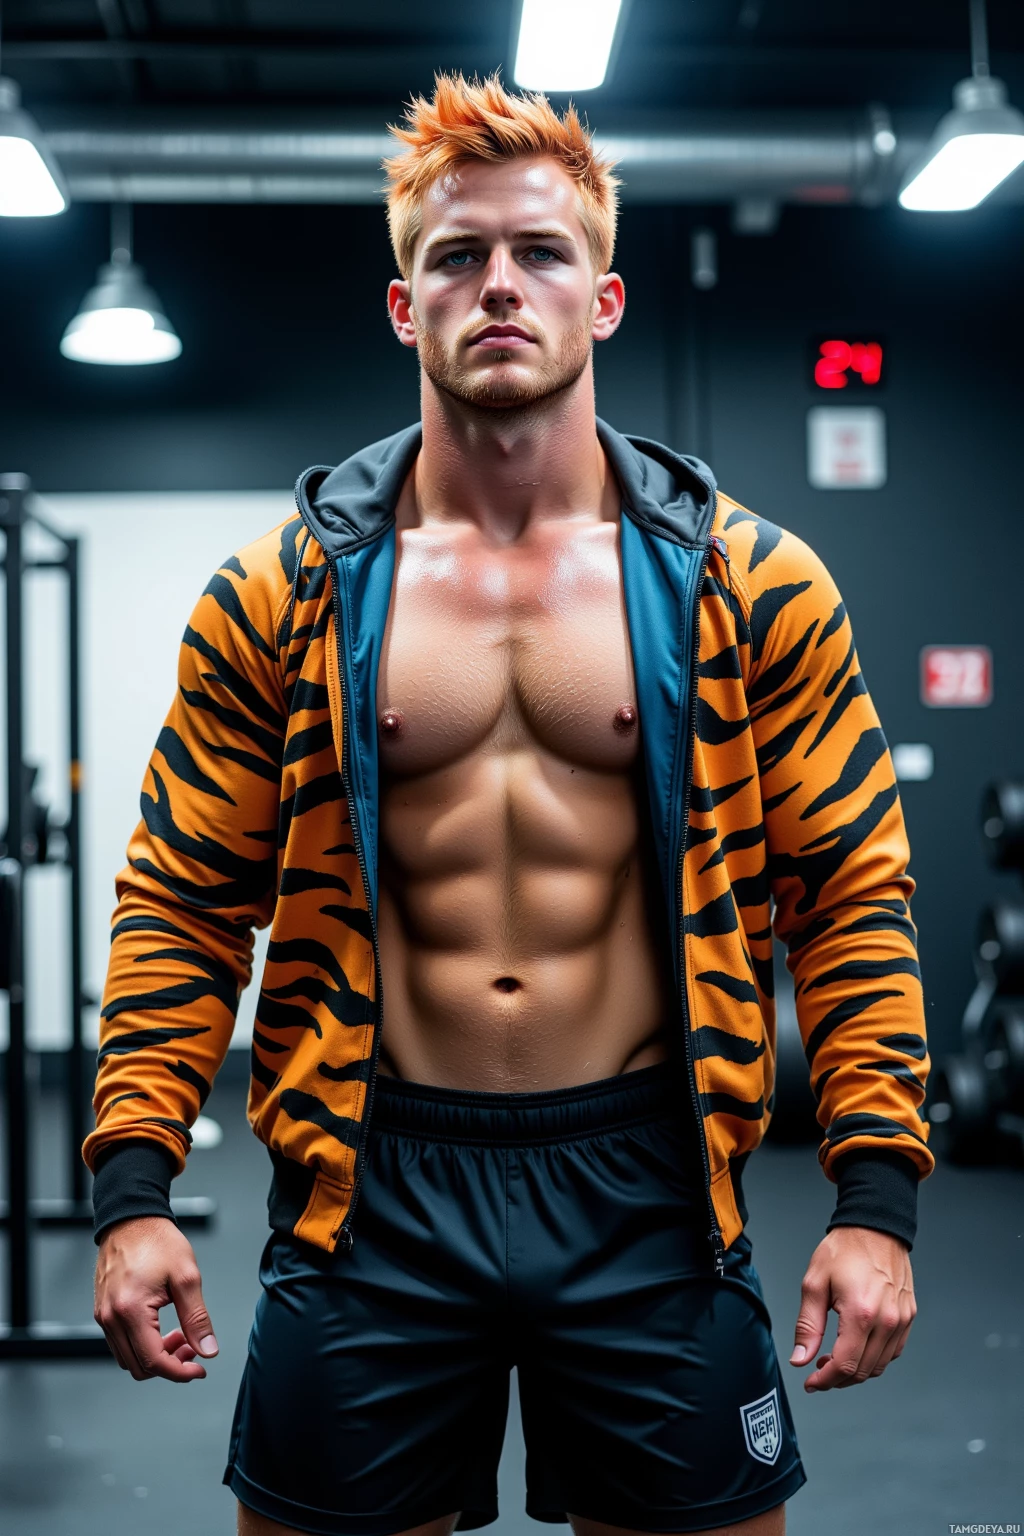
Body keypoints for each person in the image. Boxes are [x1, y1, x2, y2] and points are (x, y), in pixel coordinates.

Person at [87, 73, 933, 1536]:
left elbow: (850, 894)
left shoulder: (750, 585)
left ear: (602, 299)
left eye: (540, 253)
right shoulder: (282, 594)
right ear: (402, 305)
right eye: (456, 256)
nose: (499, 286)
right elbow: (183, 895)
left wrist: (874, 1202)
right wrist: (133, 1185)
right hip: (373, 1183)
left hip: (653, 1181)